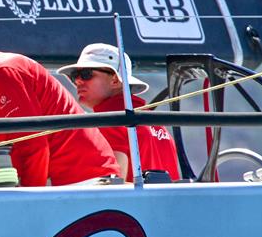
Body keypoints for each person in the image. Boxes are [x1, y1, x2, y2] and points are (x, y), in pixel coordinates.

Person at [0, 22, 120, 186]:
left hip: (83, 180)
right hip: (82, 179)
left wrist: (27, 202)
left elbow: (33, 146)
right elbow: (24, 148)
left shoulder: (0, 73)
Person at [58, 43, 180, 182]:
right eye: (75, 76)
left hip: (130, 204)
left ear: (115, 80)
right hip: (169, 202)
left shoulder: (110, 118)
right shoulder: (158, 125)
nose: (78, 81)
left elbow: (112, 183)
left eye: (86, 74)